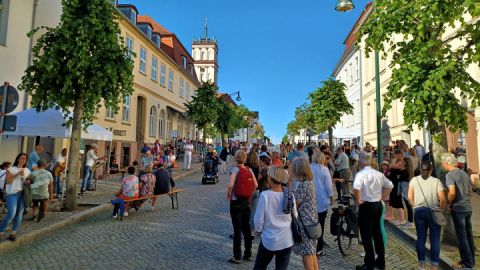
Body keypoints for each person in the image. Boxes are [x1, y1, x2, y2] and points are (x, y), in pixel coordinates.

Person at [353, 153, 393, 270]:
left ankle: (369, 264)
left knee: (366, 235)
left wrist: (358, 200)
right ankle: (381, 261)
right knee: (377, 233)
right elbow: (390, 185)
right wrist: (382, 197)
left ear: (360, 162)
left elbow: (356, 188)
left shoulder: (360, 174)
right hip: (377, 205)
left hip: (367, 206)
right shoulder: (378, 173)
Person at [408, 161, 447, 270]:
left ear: (420, 169)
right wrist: (441, 210)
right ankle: (434, 266)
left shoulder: (414, 180)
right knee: (435, 240)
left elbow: (410, 197)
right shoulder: (436, 181)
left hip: (419, 211)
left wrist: (414, 206)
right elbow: (443, 199)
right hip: (434, 211)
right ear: (430, 170)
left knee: (421, 238)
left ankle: (422, 265)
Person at [253, 166, 293, 270]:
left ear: (270, 178)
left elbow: (258, 220)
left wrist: (259, 230)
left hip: (269, 239)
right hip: (286, 239)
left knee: (260, 267)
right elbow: (295, 216)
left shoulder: (265, 195)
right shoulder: (289, 194)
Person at [442, 153, 475, 269]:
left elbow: (452, 192)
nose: (442, 166)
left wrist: (448, 203)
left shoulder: (450, 175)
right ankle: (471, 260)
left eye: (443, 163)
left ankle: (467, 263)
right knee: (469, 235)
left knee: (462, 237)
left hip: (458, 208)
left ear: (446, 163)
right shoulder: (464, 173)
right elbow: (470, 191)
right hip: (467, 207)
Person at [226, 150, 258, 264]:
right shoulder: (249, 169)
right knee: (246, 228)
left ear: (236, 158)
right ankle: (248, 253)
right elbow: (256, 184)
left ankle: (237, 256)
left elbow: (230, 184)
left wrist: (228, 194)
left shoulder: (235, 169)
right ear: (245, 159)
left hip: (236, 202)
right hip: (246, 202)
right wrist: (249, 194)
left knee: (237, 229)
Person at [291, 158, 319, 270]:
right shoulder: (310, 182)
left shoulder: (303, 185)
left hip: (305, 223)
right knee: (312, 253)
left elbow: (294, 204)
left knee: (307, 256)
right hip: (312, 221)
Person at [0, 153, 31, 241]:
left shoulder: (27, 170)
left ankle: (13, 233)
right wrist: (17, 174)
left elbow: (28, 182)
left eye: (25, 159)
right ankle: (1, 230)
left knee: (19, 214)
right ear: (18, 159)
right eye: (22, 158)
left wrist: (28, 182)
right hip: (12, 194)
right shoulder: (11, 169)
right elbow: (8, 181)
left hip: (23, 194)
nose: (24, 160)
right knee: (11, 213)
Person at [311, 152, 333, 256]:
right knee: (321, 224)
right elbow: (329, 186)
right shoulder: (324, 169)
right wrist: (331, 197)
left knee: (310, 223)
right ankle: (319, 248)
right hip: (322, 200)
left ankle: (311, 245)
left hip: (310, 200)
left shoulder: (308, 168)